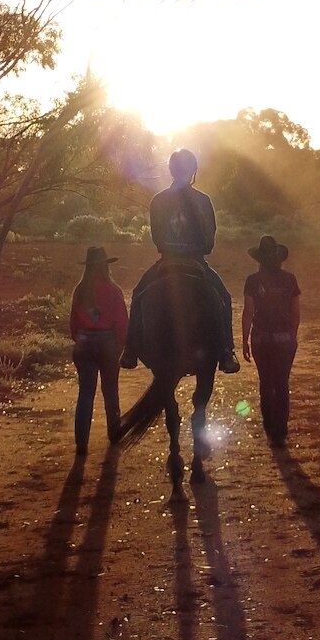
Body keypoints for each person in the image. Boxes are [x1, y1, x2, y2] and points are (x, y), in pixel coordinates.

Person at [121, 148, 241, 374]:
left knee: (138, 294)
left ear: (171, 170)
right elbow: (209, 239)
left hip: (166, 260)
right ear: (193, 170)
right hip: (196, 262)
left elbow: (156, 236)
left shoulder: (158, 200)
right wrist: (197, 248)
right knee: (224, 298)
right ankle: (226, 351)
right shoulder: (203, 200)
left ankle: (130, 349)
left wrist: (171, 247)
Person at [241, 235, 301, 448]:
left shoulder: (253, 280)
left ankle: (269, 428)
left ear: (259, 259)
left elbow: (248, 312)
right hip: (284, 339)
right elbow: (296, 312)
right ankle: (281, 430)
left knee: (266, 383)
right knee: (282, 382)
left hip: (261, 339)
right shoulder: (290, 280)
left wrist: (244, 339)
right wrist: (292, 335)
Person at [69, 245, 128, 455]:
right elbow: (122, 322)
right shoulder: (113, 291)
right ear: (105, 266)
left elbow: (73, 324)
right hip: (107, 344)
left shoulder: (80, 290)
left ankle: (81, 443)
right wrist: (121, 344)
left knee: (85, 393)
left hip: (84, 343)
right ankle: (114, 434)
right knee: (110, 391)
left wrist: (81, 338)